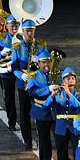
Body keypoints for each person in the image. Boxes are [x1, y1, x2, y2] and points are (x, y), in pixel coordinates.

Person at [14, 19, 49, 149]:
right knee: (24, 112)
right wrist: (21, 75)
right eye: (27, 31)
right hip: (23, 82)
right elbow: (14, 67)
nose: (30, 34)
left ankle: (42, 139)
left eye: (32, 31)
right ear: (22, 32)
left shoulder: (41, 44)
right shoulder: (17, 47)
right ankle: (27, 140)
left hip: (37, 82)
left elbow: (46, 63)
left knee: (40, 110)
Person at [51, 67, 80, 160]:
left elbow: (79, 106)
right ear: (63, 81)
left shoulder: (79, 95)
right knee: (62, 155)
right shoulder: (58, 94)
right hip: (61, 126)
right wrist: (53, 95)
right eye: (68, 79)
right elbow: (46, 105)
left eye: (73, 78)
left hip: (75, 126)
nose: (70, 81)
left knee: (78, 152)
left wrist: (69, 94)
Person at [26, 49, 57, 160]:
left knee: (61, 138)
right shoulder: (33, 75)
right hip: (41, 111)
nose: (46, 65)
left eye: (48, 62)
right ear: (38, 63)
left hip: (55, 111)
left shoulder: (56, 74)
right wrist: (48, 89)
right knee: (44, 139)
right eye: (43, 62)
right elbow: (32, 92)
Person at [0, 16, 21, 130]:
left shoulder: (22, 38)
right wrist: (2, 53)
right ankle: (11, 121)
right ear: (7, 26)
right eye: (11, 25)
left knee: (24, 97)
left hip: (20, 71)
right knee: (9, 97)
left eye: (16, 25)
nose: (14, 27)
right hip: (6, 72)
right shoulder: (0, 37)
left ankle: (25, 120)